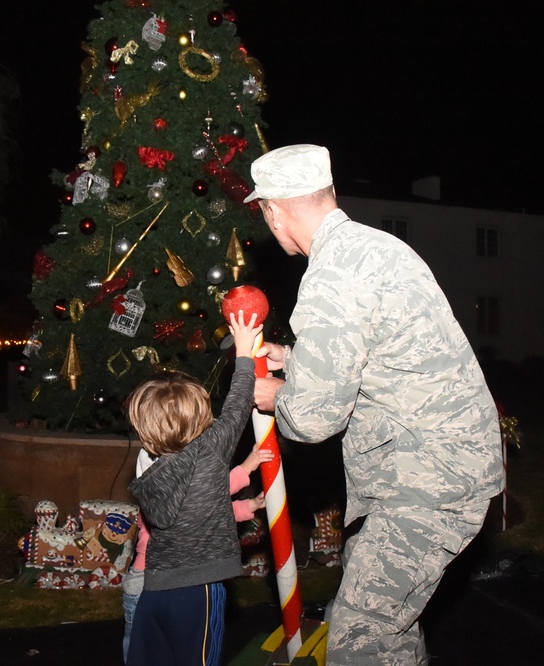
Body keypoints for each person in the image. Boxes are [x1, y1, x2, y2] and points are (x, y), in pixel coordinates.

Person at [246, 144, 504, 664]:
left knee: (359, 637)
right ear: (330, 193)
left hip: (428, 482)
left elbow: (315, 419)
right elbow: (375, 357)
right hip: (442, 468)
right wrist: (294, 361)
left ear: (272, 211)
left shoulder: (328, 279)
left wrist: (274, 395)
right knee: (389, 627)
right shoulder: (376, 248)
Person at [125, 311, 262, 665]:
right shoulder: (210, 450)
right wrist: (243, 353)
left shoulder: (147, 468)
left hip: (153, 590)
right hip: (197, 592)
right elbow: (237, 406)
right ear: (201, 416)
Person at [121, 441, 271, 663]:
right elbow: (203, 495)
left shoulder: (179, 486)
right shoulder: (156, 477)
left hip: (160, 581)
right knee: (142, 651)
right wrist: (247, 467)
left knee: (153, 652)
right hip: (149, 581)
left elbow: (205, 510)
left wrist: (248, 506)